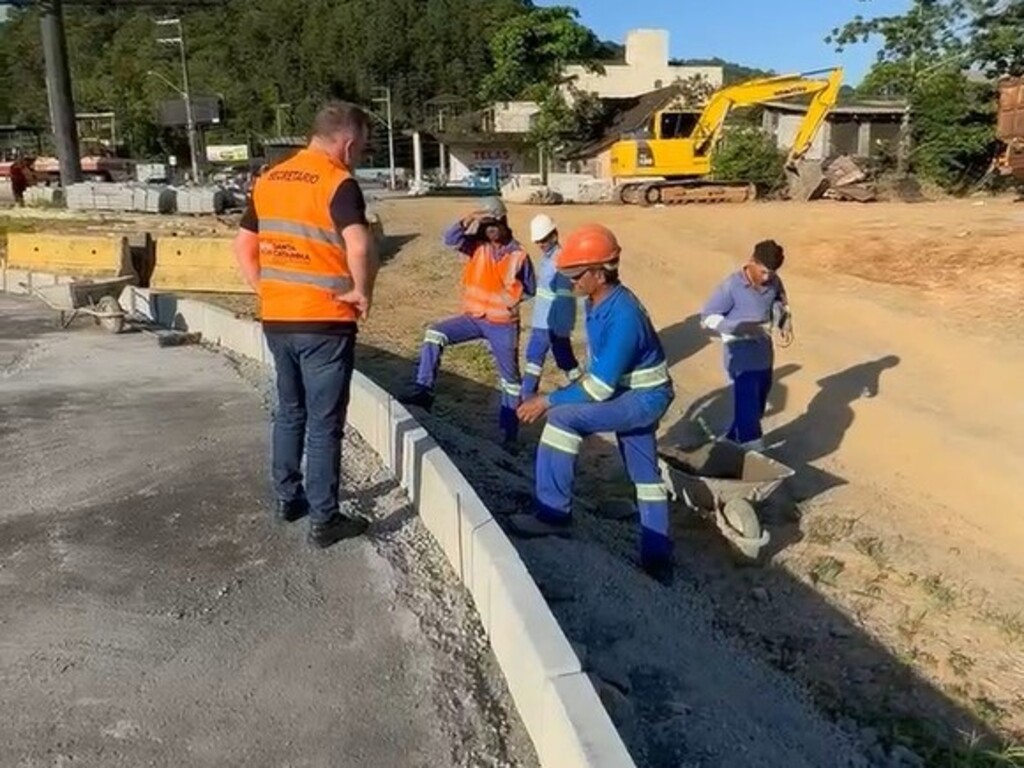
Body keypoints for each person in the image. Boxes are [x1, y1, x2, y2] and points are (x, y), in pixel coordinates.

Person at [232, 101, 377, 549]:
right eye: (362, 149)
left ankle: (286, 498)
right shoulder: (338, 181)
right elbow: (358, 244)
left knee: (290, 411)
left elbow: (243, 248)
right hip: (325, 322)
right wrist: (362, 291)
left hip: (278, 318)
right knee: (324, 423)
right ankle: (324, 519)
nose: (360, 157)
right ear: (348, 143)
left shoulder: (270, 179)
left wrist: (267, 290)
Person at [512, 224, 676, 582]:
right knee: (646, 477)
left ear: (600, 273)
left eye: (576, 274)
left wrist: (547, 399)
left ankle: (553, 514)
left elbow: (600, 388)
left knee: (561, 418)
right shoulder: (599, 301)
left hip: (642, 398)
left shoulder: (624, 315)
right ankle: (657, 556)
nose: (570, 281)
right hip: (635, 394)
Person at [399, 197, 535, 444]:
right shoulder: (476, 246)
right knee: (434, 334)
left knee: (511, 381)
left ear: (504, 223)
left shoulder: (519, 255)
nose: (491, 229)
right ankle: (423, 391)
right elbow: (450, 238)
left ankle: (509, 435)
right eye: (487, 225)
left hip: (502, 325)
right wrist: (469, 217)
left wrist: (511, 299)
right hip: (473, 318)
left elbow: (530, 288)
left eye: (495, 224)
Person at [700, 239, 792, 451]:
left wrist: (784, 320)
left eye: (771, 273)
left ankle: (730, 442)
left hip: (764, 356)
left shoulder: (774, 281)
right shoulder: (731, 286)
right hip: (739, 357)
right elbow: (707, 317)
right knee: (748, 409)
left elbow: (780, 300)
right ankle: (755, 453)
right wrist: (737, 327)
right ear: (751, 262)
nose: (767, 277)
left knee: (755, 406)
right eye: (763, 272)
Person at [522, 214, 581, 397]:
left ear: (554, 236)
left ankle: (526, 397)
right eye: (538, 241)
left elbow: (564, 295)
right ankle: (579, 385)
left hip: (550, 322)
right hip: (545, 321)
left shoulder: (560, 260)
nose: (541, 245)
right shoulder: (548, 258)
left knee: (546, 357)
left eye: (544, 240)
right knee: (554, 358)